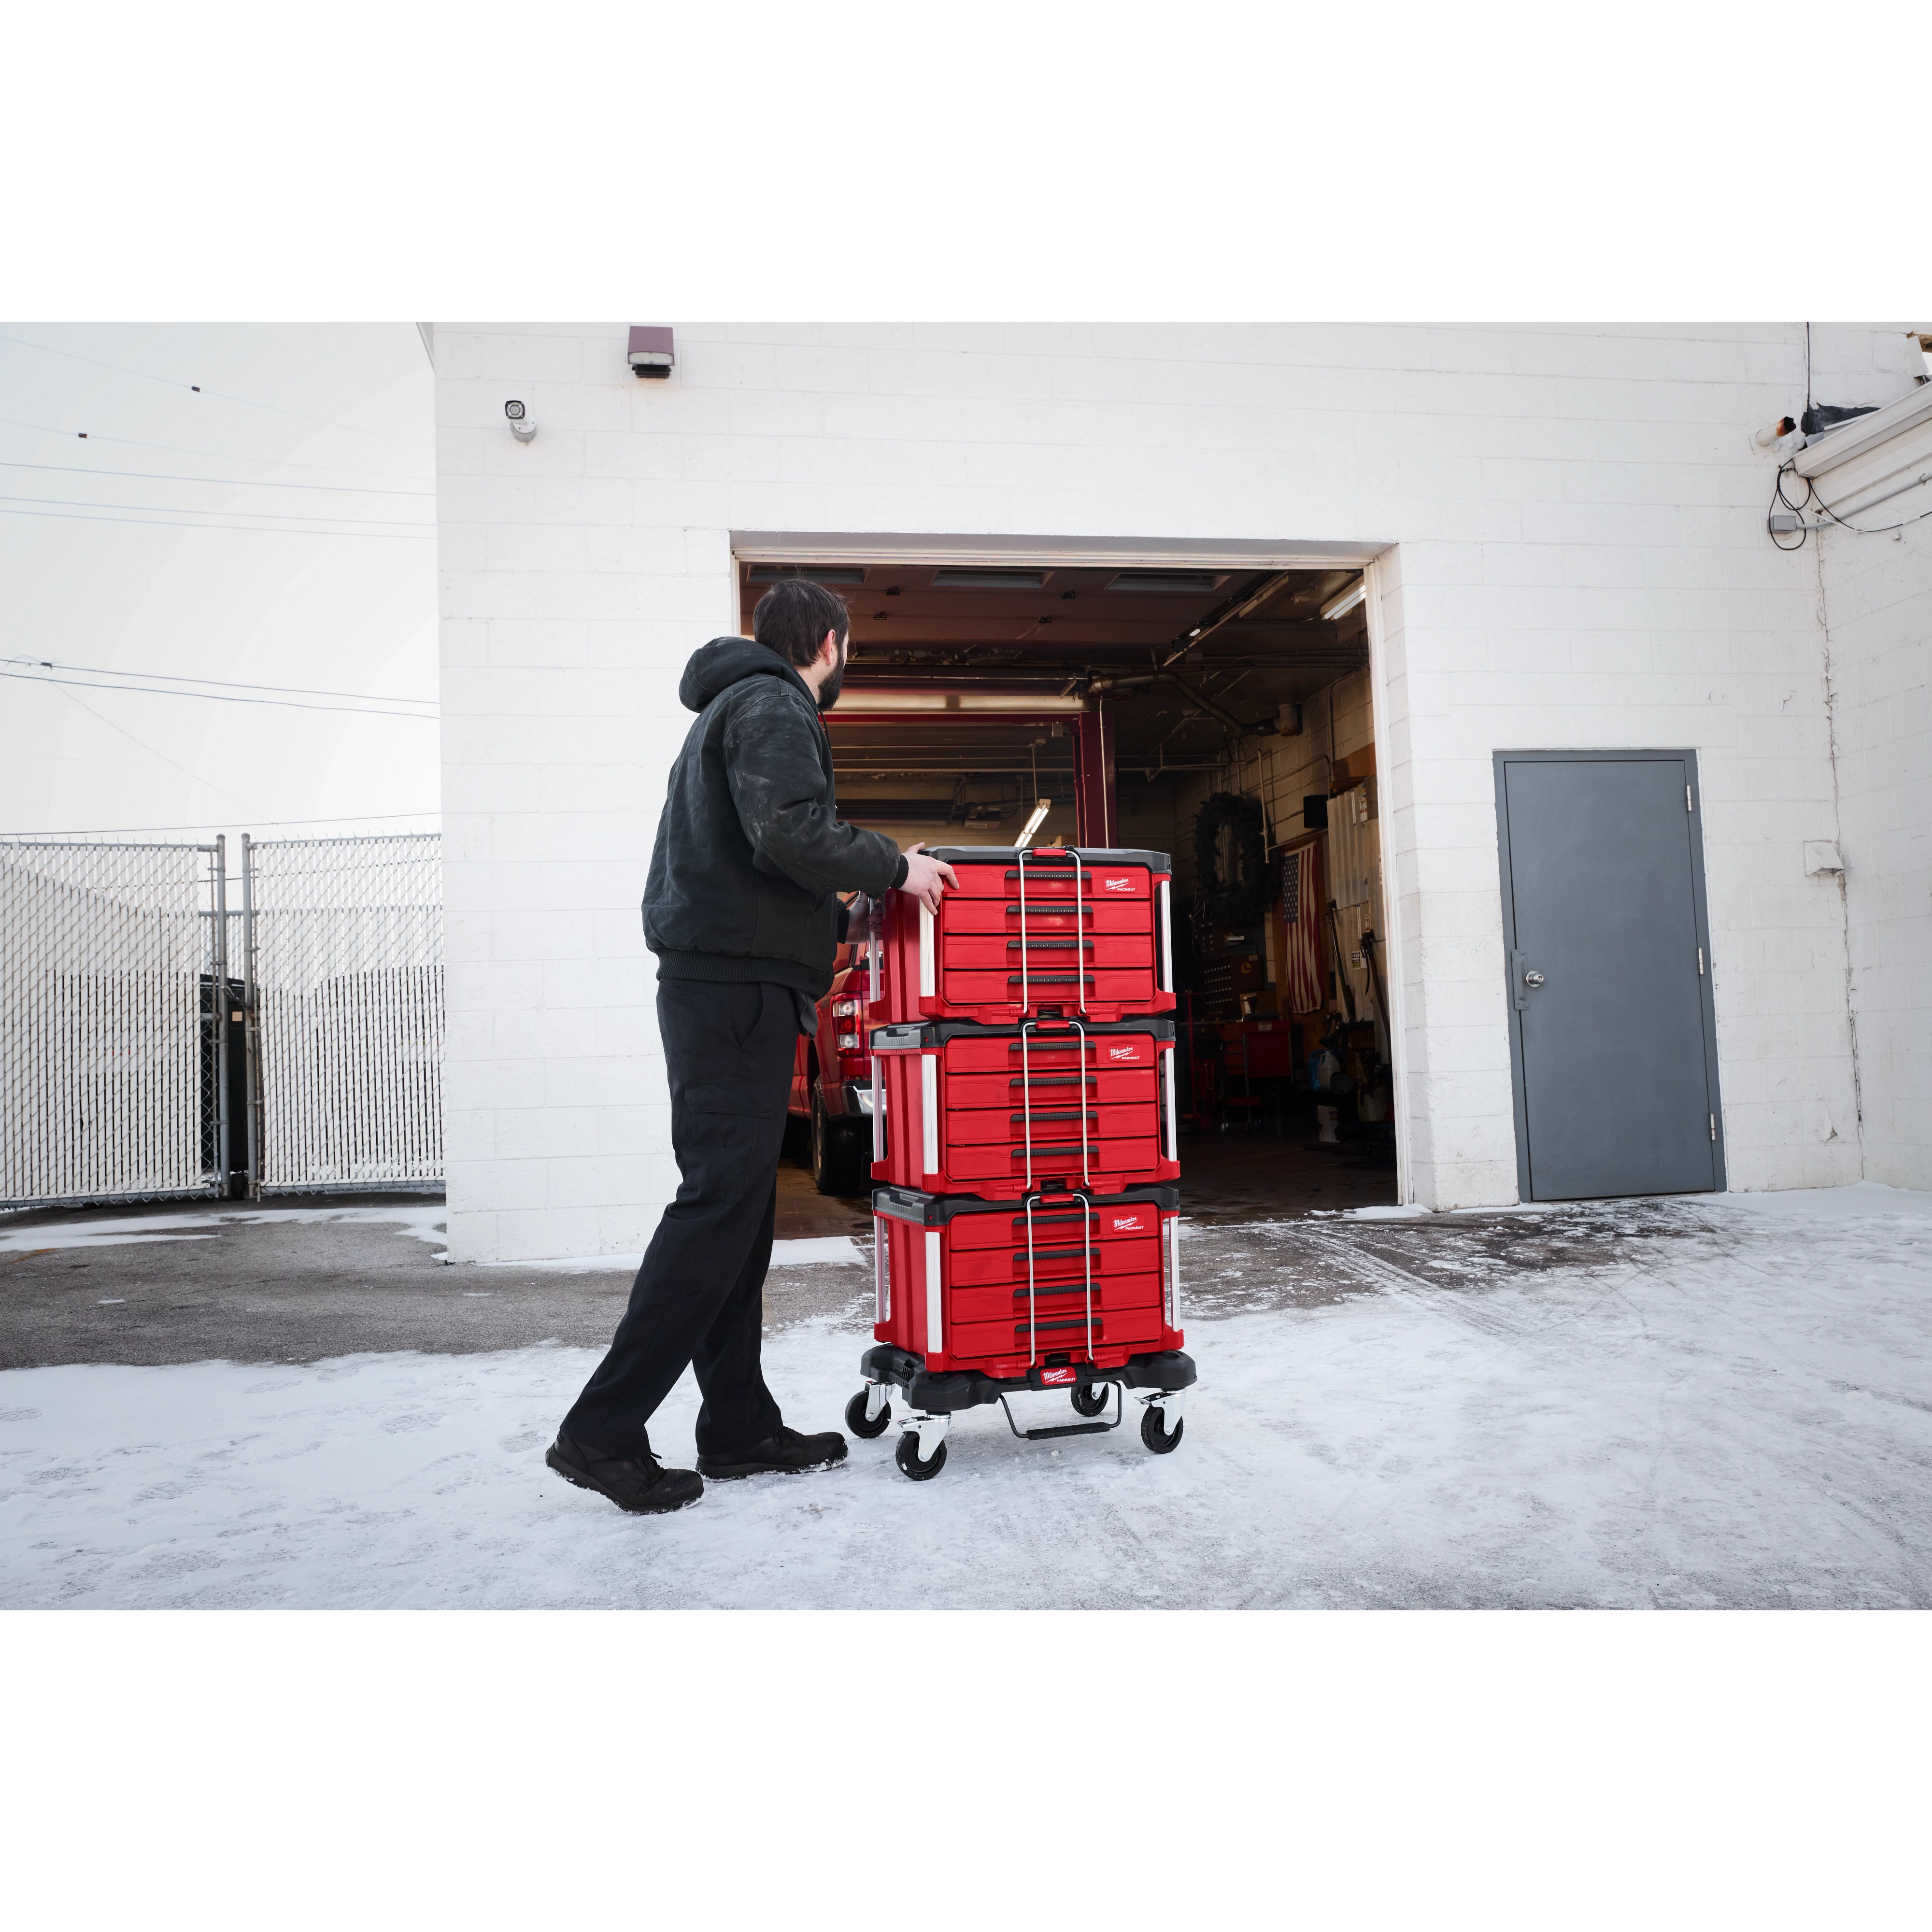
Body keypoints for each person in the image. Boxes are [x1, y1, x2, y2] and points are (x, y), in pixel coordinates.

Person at [546, 578, 958, 1514]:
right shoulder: (773, 699)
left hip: (733, 980)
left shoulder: (734, 706)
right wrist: (897, 865)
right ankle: (601, 1430)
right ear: (827, 640)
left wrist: (840, 913)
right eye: (845, 649)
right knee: (716, 1206)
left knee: (739, 1217)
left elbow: (761, 856)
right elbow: (788, 828)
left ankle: (735, 1423)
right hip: (728, 989)